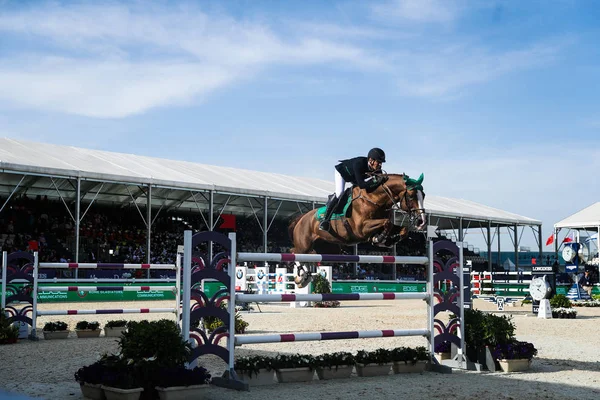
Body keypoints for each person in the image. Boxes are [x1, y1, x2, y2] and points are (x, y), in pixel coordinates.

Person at [319, 147, 388, 231]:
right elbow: (362, 184)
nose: (380, 165)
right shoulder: (359, 164)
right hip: (342, 173)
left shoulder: (377, 169)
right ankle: (325, 220)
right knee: (339, 193)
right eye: (379, 162)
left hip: (354, 177)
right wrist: (374, 181)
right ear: (371, 160)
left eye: (381, 163)